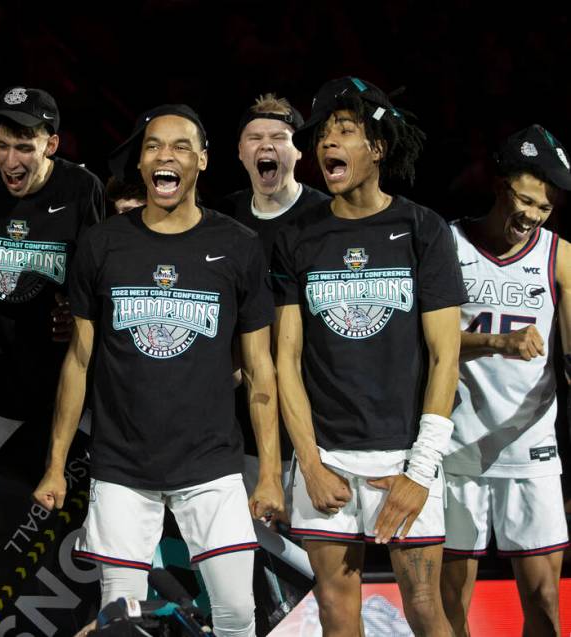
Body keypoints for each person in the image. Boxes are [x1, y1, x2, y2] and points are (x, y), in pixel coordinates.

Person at [34, 104, 283, 637]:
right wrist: (56, 463)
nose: (164, 156)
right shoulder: (103, 245)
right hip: (122, 464)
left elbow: (262, 372)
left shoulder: (238, 245)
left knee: (237, 612)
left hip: (211, 464)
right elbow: (77, 362)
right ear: (141, 164)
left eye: (179, 146)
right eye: (153, 146)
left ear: (204, 161)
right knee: (121, 618)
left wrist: (268, 473)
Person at [272, 76, 465, 637]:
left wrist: (420, 469)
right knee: (335, 608)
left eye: (345, 131)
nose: (328, 143)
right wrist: (308, 462)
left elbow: (445, 357)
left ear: (377, 148)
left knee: (428, 607)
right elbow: (287, 359)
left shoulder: (421, 229)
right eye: (323, 134)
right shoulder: (297, 236)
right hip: (326, 458)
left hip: (403, 460)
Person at [0, 86, 104, 523]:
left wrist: (77, 312)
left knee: (41, 523)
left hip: (52, 386)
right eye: (0, 146)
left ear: (51, 144)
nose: (10, 161)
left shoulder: (82, 189)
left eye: (24, 148)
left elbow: (96, 281)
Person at [440, 124, 571, 637]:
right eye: (525, 200)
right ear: (499, 186)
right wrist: (498, 342)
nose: (532, 217)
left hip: (531, 450)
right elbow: (434, 342)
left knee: (544, 600)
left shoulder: (559, 255)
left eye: (544, 208)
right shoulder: (448, 242)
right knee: (452, 601)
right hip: (457, 448)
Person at [219, 92, 329, 493]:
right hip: (239, 418)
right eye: (255, 137)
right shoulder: (223, 218)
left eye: (279, 137)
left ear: (299, 152)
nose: (266, 145)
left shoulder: (327, 218)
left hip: (314, 416)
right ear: (240, 153)